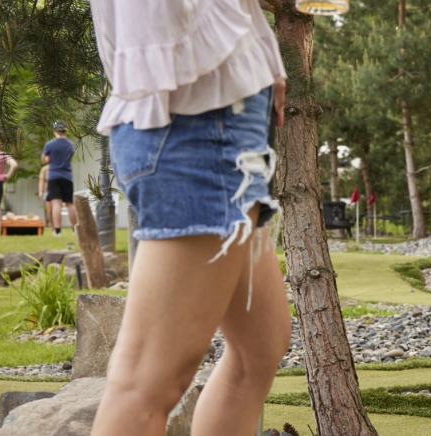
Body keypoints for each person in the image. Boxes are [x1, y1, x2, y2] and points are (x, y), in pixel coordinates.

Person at [87, 0, 289, 435]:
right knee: (147, 383)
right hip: (196, 123)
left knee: (261, 347)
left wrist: (264, 62)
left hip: (226, 125)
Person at [42, 121, 78, 235]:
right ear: (65, 131)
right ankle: (75, 230)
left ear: (54, 131)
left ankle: (57, 231)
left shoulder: (50, 144)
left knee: (56, 203)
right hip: (67, 176)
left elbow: (45, 160)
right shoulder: (70, 144)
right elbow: (69, 158)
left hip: (53, 176)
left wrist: (50, 158)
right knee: (70, 204)